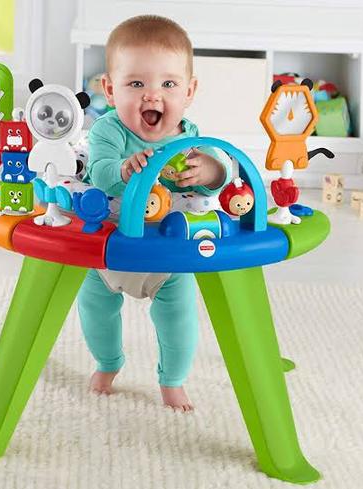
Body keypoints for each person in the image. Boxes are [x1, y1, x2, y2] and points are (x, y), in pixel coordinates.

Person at [78, 15, 232, 412]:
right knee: (94, 308)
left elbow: (222, 175)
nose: (152, 96)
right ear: (110, 90)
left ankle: (172, 381)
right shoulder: (108, 131)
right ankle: (108, 362)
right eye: (135, 84)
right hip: (110, 251)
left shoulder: (190, 139)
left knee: (179, 319)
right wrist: (122, 171)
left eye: (168, 84)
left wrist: (210, 172)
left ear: (189, 91)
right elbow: (99, 170)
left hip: (168, 255)